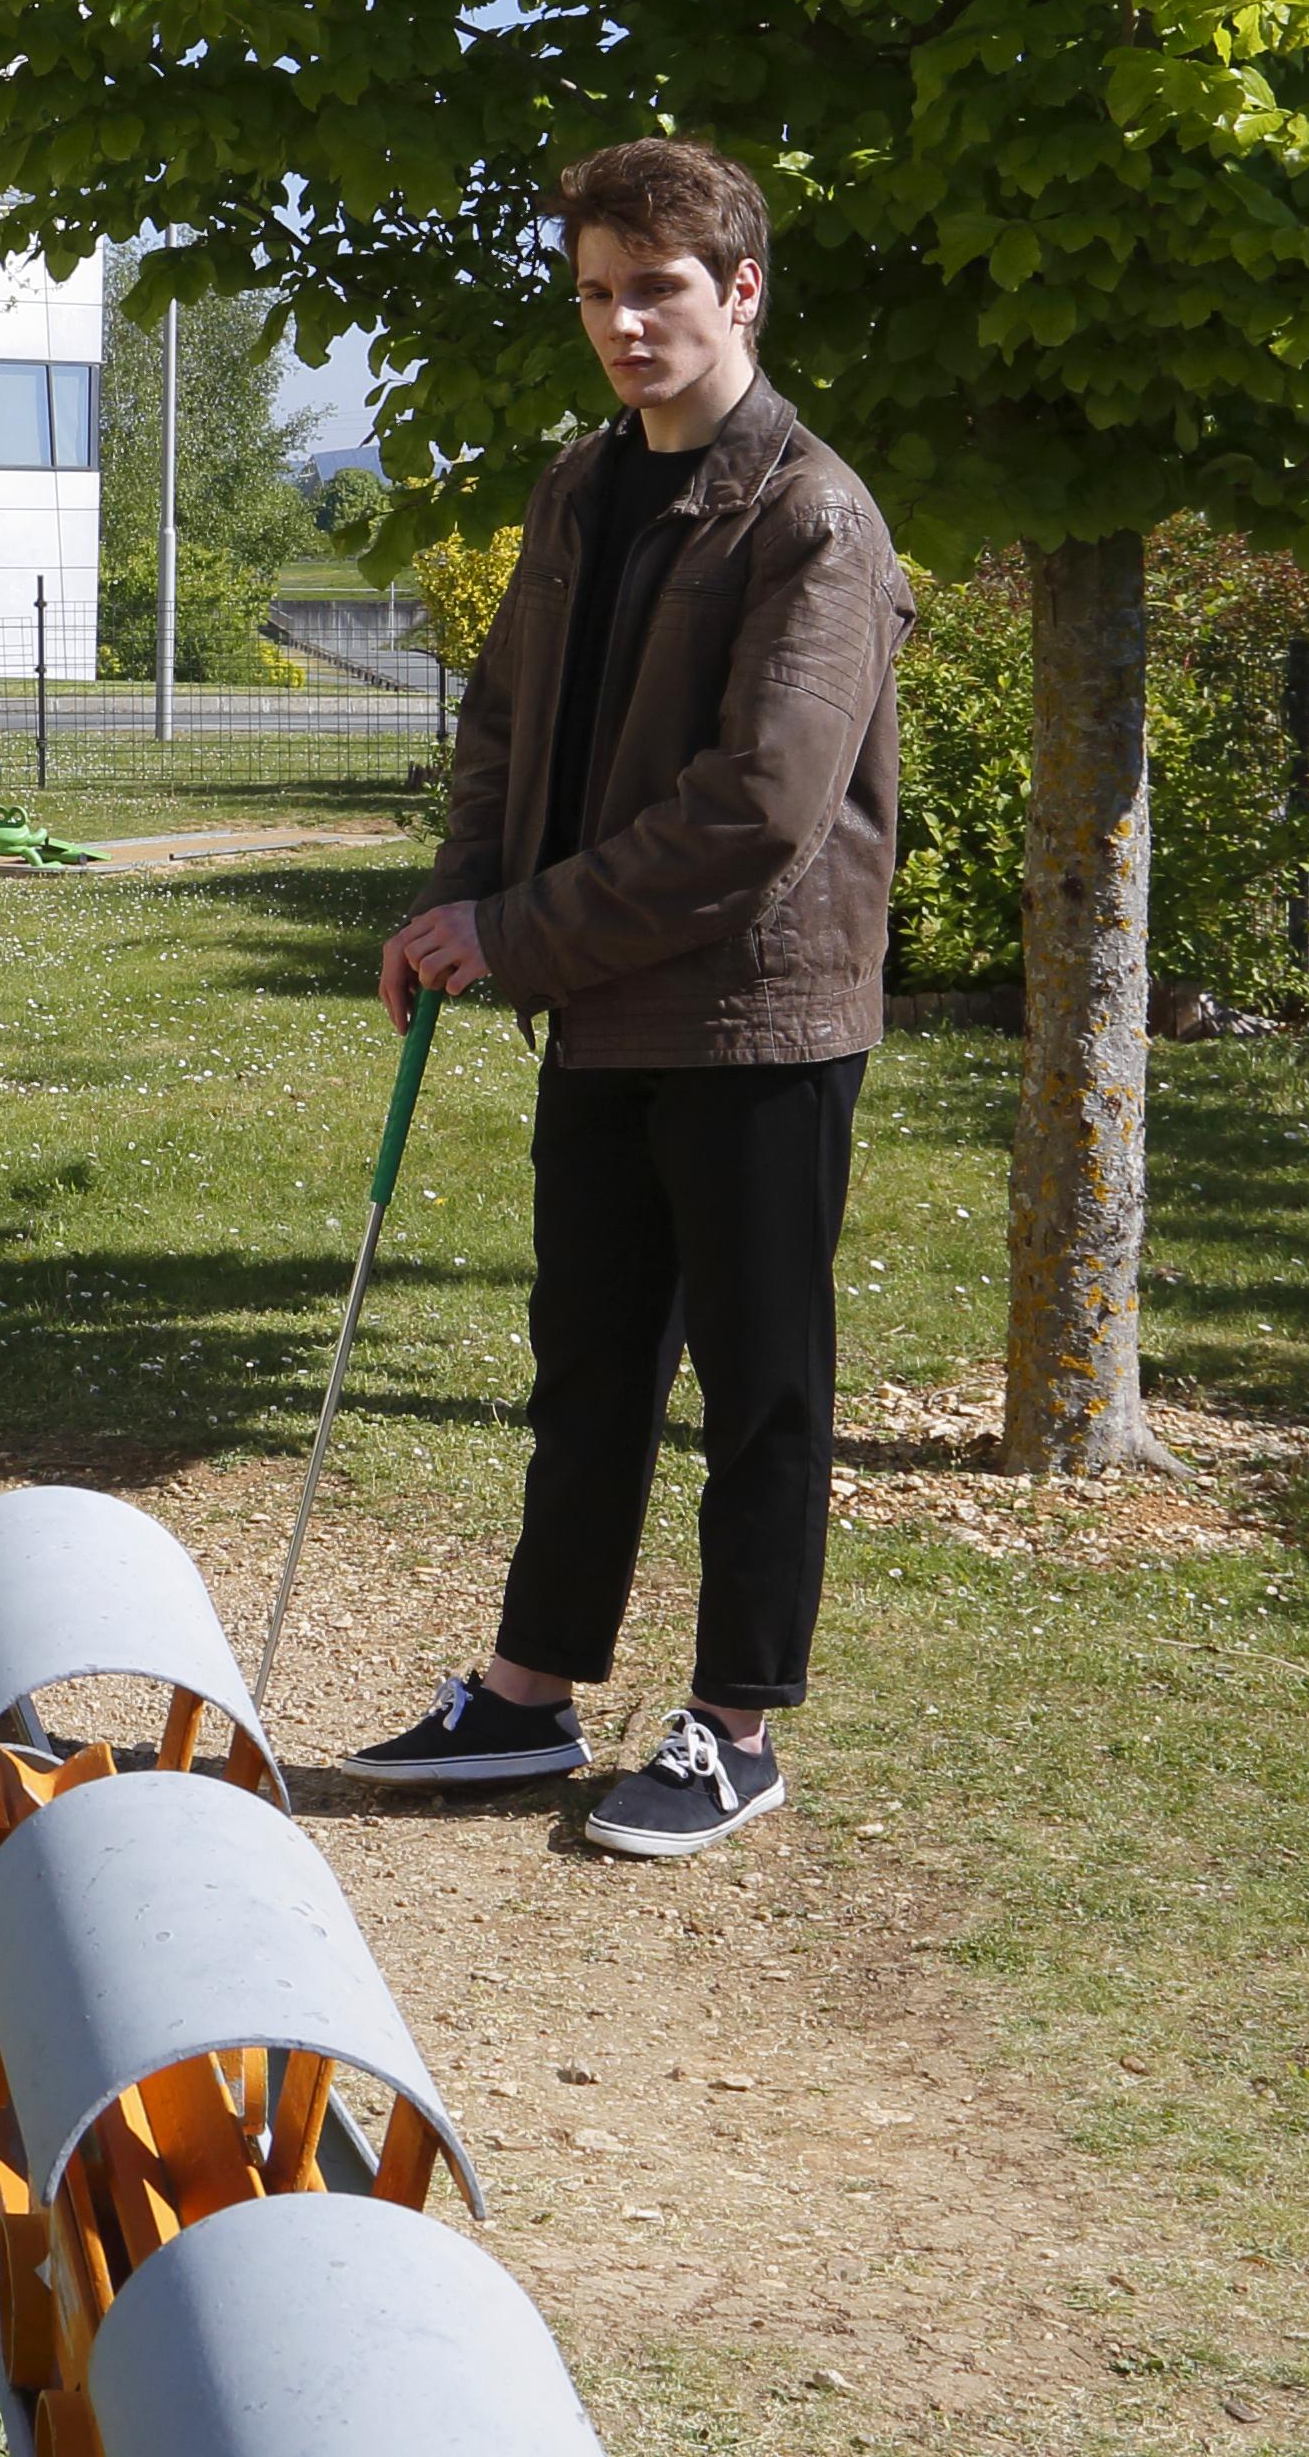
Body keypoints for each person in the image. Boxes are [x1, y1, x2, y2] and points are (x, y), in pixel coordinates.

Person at [356, 141, 909, 1856]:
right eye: (597, 291)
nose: (623, 323)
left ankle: (735, 1728)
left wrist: (518, 935)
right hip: (598, 1009)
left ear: (739, 290)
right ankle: (529, 1696)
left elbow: (759, 808)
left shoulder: (813, 514)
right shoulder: (580, 490)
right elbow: (506, 725)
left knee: (759, 1386)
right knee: (587, 1368)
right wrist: (459, 899)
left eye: (656, 289)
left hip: (759, 1020)